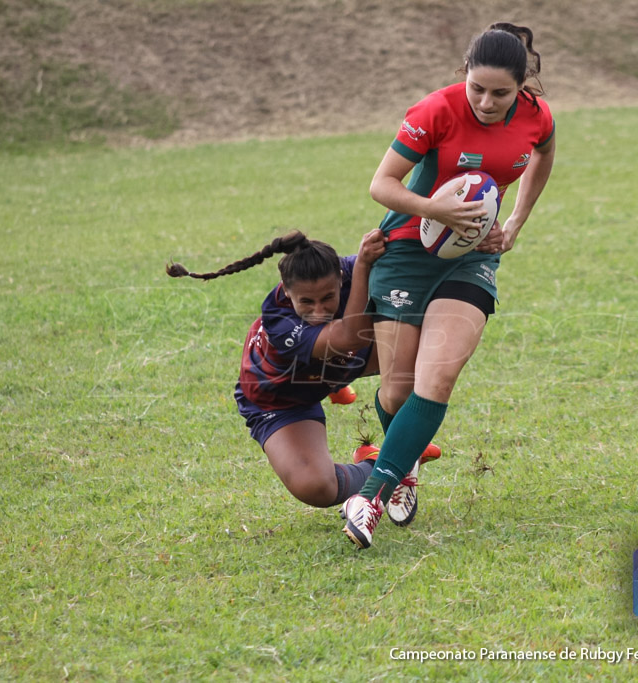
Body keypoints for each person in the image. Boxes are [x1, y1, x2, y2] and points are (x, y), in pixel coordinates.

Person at [340, 22, 556, 548]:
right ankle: (404, 465)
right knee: (394, 389)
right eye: (476, 87)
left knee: (435, 380)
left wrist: (516, 222)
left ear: (522, 85)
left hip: (470, 261)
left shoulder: (536, 116)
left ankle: (368, 496)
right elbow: (381, 185)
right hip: (406, 252)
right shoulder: (435, 110)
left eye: (500, 92)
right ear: (464, 74)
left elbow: (543, 157)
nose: (485, 100)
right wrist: (433, 207)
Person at [166, 229, 438, 523]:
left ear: (340, 278)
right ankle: (387, 459)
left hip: (336, 364)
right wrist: (364, 264)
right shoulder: (278, 319)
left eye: (328, 298)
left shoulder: (346, 270)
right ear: (286, 289)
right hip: (279, 397)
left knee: (419, 344)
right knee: (317, 487)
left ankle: (392, 428)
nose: (318, 310)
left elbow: (407, 251)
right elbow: (348, 338)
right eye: (306, 302)